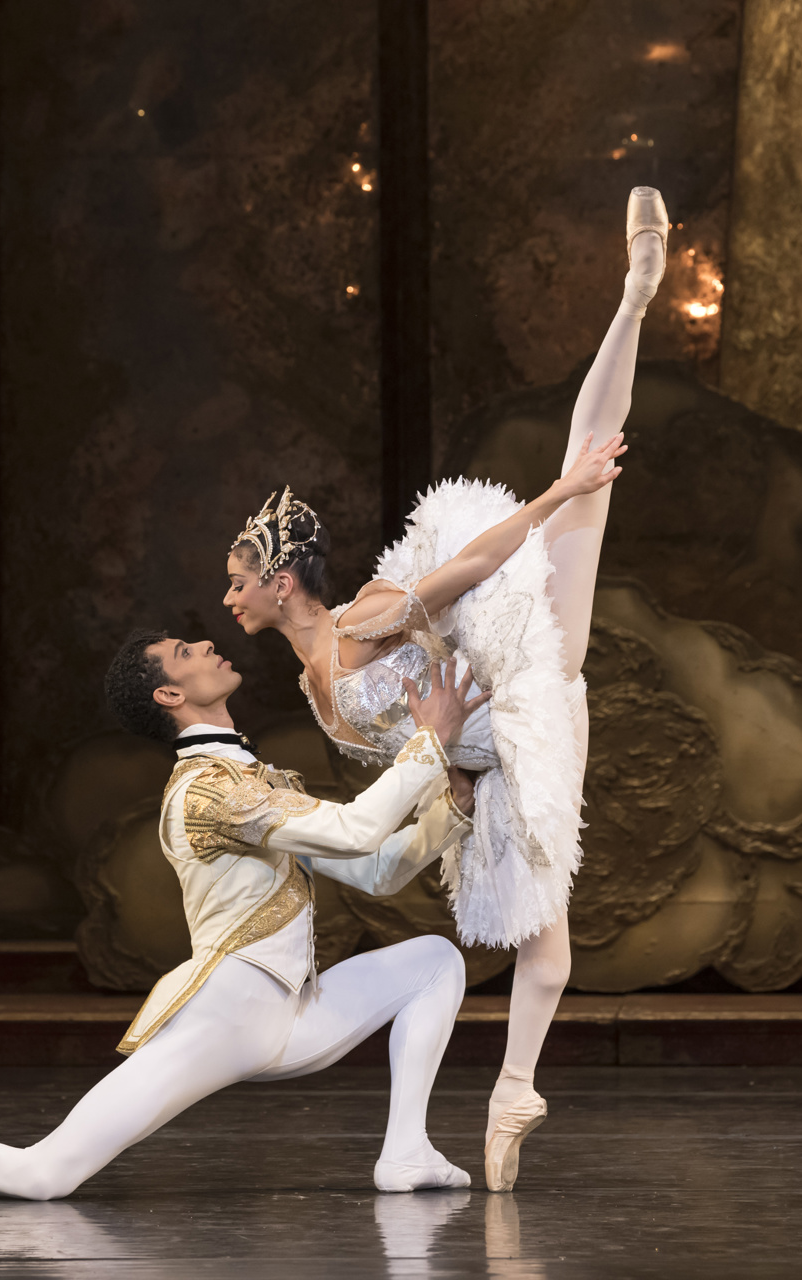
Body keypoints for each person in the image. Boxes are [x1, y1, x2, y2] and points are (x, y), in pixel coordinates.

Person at [221, 187, 670, 1190]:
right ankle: (515, 1092)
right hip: (478, 761)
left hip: (523, 685)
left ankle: (636, 297)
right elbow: (399, 758)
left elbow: (465, 572)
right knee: (541, 943)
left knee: (586, 475)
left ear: (282, 580)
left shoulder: (363, 620)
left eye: (238, 579)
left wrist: (560, 498)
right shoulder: (313, 687)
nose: (229, 597)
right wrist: (452, 789)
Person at [0, 629, 489, 1200]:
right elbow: (359, 832)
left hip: (292, 1012)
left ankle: (407, 1152)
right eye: (187, 652)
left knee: (433, 961)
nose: (208, 647)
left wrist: (452, 801)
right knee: (45, 1173)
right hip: (230, 1011)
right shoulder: (210, 790)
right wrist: (428, 742)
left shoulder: (247, 779)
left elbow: (373, 868)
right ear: (170, 693)